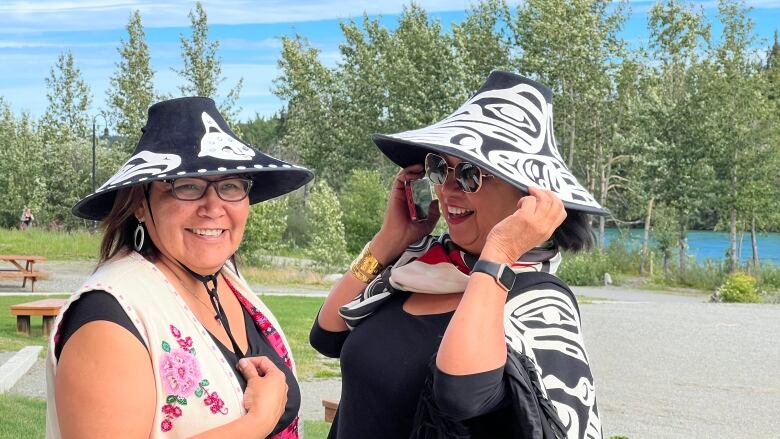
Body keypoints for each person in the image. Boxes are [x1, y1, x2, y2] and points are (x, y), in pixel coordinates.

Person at [310, 71, 605, 439]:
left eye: (470, 174)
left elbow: (459, 394)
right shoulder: (418, 264)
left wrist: (499, 252)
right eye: (439, 168)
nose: (448, 190)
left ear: (526, 195)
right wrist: (389, 240)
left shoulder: (538, 297)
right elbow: (327, 335)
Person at [46, 97, 313, 439]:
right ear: (140, 205)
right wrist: (257, 422)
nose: (214, 207)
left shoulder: (225, 282)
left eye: (230, 185)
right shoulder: (108, 320)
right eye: (187, 186)